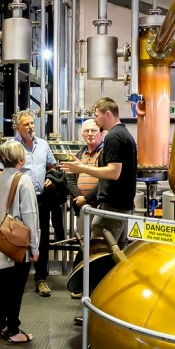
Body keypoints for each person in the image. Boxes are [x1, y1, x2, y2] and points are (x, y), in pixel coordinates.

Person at [59, 97, 137, 248]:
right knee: (115, 252)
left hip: (113, 205)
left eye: (96, 115)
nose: (95, 120)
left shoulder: (113, 137)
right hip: (122, 205)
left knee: (99, 252)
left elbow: (113, 172)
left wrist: (82, 168)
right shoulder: (124, 133)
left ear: (108, 114)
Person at [0, 110, 56, 297]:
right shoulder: (11, 147)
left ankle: (41, 278)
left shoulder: (43, 145)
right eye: (26, 124)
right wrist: (15, 182)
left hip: (40, 198)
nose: (30, 127)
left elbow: (51, 167)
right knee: (16, 235)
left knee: (41, 237)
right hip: (18, 199)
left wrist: (51, 178)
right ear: (17, 127)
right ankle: (14, 271)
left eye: (32, 123)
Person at [0, 140, 40, 344]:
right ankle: (13, 330)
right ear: (21, 159)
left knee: (1, 284)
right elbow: (30, 215)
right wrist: (34, 247)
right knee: (16, 288)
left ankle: (1, 324)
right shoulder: (23, 180)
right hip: (17, 244)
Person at [64, 118, 104, 298]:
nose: (90, 134)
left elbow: (105, 180)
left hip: (99, 206)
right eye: (86, 131)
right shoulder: (80, 154)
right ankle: (80, 285)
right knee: (83, 245)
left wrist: (87, 198)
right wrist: (78, 198)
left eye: (93, 130)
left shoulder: (104, 153)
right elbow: (69, 178)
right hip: (83, 208)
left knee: (98, 246)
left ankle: (96, 287)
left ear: (101, 133)